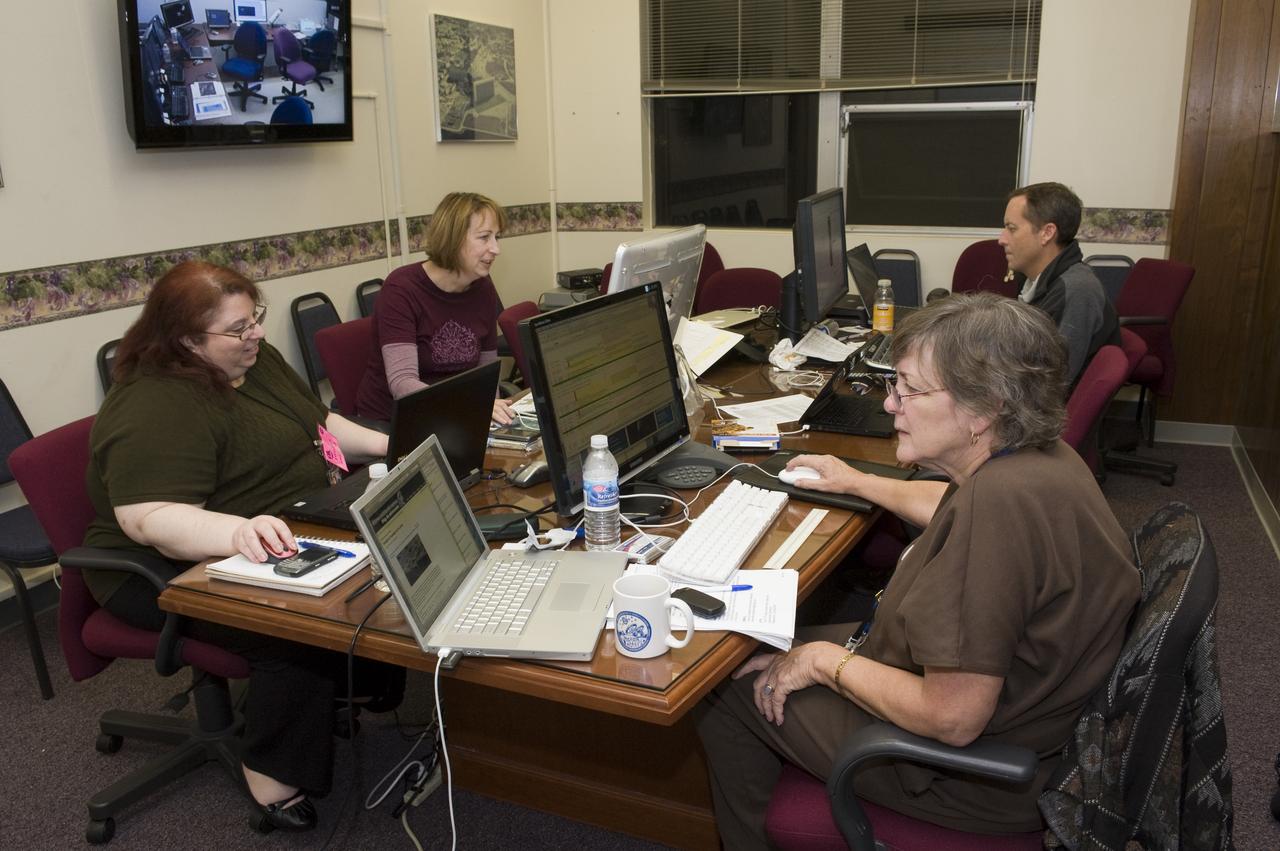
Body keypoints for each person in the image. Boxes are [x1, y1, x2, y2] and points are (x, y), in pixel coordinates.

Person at [696, 292, 1140, 847]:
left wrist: (823, 662)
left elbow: (952, 717)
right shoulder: (1038, 459)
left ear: (984, 408)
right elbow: (953, 511)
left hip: (963, 771)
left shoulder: (997, 509)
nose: (890, 405)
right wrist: (858, 482)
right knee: (761, 645)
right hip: (1030, 723)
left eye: (909, 389)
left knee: (721, 682)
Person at [85, 261, 396, 833]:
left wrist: (391, 445)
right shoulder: (155, 402)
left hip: (279, 525)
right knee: (297, 628)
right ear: (185, 340)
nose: (255, 334)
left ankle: (355, 689)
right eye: (238, 328)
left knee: (383, 576)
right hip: (161, 566)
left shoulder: (253, 360)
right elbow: (145, 517)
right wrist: (235, 532)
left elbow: (318, 422)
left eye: (255, 319)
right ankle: (271, 773)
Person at [355, 191, 514, 424]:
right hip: (396, 422)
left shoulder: (482, 287)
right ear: (453, 239)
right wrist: (469, 405)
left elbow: (487, 371)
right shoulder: (401, 290)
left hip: (457, 417)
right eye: (484, 237)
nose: (495, 249)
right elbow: (402, 383)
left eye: (496, 237)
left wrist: (494, 421)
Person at [998, 181, 1120, 383]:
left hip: (1042, 410)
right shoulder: (1030, 279)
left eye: (1012, 228)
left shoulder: (1077, 290)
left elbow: (1051, 384)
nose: (1001, 239)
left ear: (1047, 233)